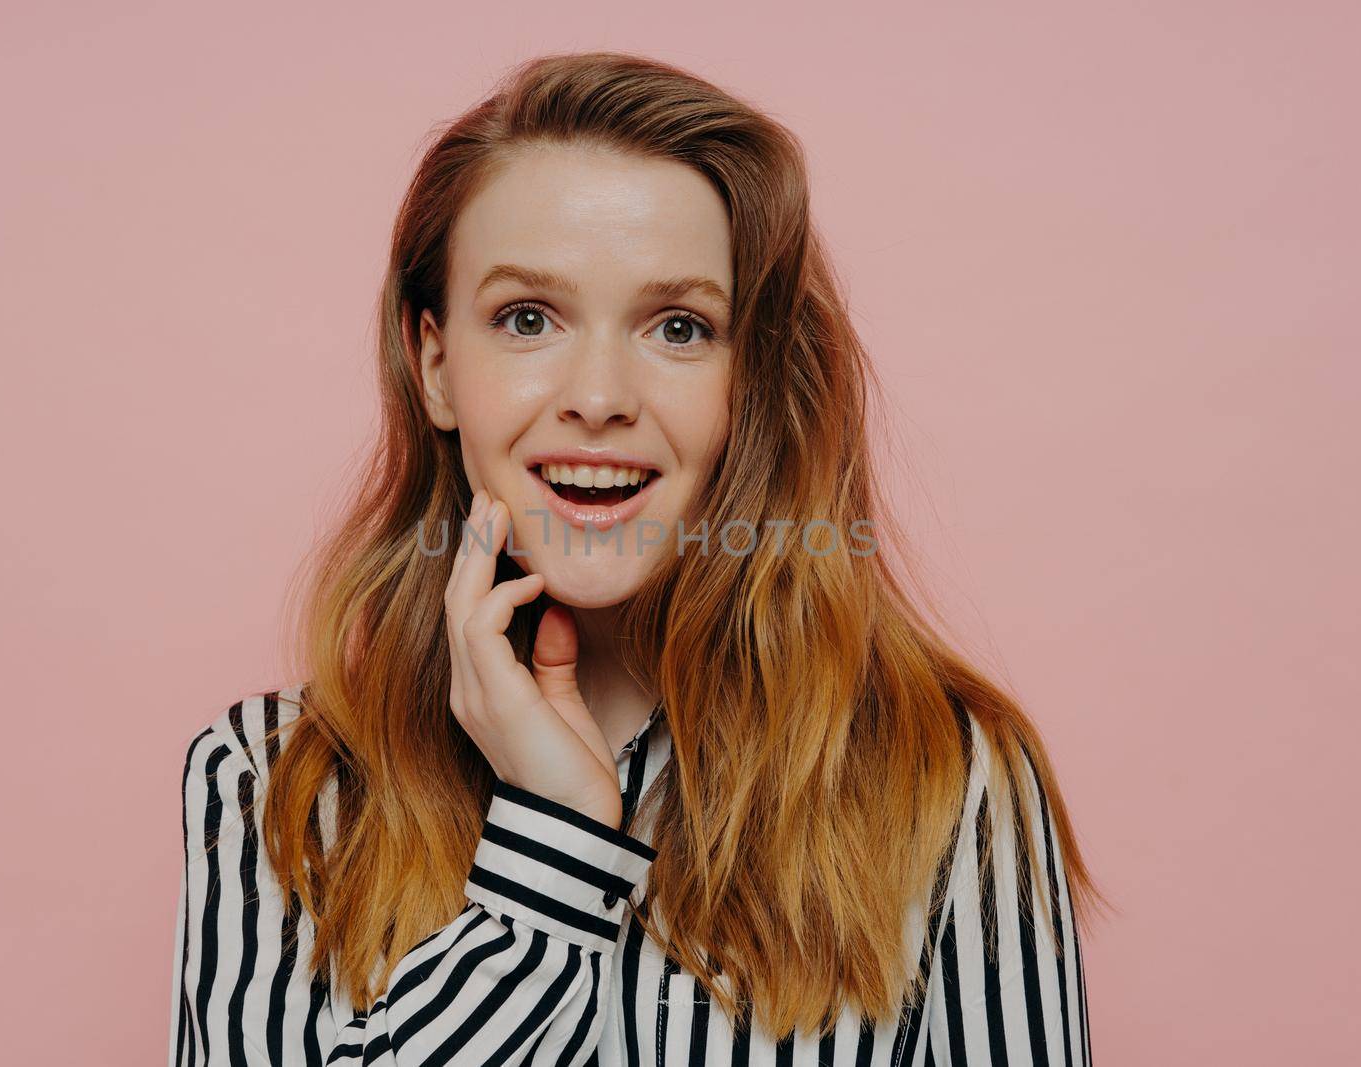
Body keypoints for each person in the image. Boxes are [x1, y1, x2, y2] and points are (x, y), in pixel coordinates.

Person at [168, 50, 1096, 1066]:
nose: (600, 395)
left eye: (679, 326)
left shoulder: (944, 779)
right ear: (435, 363)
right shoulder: (273, 785)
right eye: (527, 318)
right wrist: (554, 846)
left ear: (750, 379)